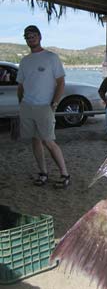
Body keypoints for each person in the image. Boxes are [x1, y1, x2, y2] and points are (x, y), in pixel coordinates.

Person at [17, 25, 70, 188]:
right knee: (35, 140)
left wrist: (54, 103)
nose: (30, 38)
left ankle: (65, 174)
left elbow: (61, 82)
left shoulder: (51, 57)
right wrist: (21, 104)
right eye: (27, 36)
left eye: (33, 35)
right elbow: (20, 85)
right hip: (27, 106)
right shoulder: (25, 61)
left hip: (44, 107)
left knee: (48, 141)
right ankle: (43, 173)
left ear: (40, 37)